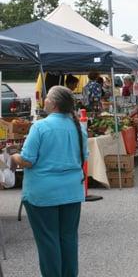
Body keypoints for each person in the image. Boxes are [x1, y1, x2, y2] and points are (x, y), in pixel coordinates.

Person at [10, 85, 88, 277]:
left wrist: (13, 157)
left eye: (47, 98)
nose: (44, 100)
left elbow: (27, 160)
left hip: (43, 194)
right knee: (68, 238)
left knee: (48, 240)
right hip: (71, 192)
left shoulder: (40, 126)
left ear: (53, 104)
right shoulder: (79, 129)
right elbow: (83, 158)